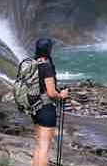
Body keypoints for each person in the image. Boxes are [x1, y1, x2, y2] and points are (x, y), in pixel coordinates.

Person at [22, 37, 69, 166]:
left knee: (38, 145)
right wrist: (62, 95)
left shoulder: (33, 64)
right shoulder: (46, 67)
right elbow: (51, 93)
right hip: (46, 110)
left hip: (35, 108)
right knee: (45, 148)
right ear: (48, 50)